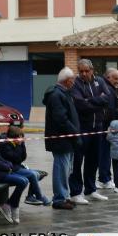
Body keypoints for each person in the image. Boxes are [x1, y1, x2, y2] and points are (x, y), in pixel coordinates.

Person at [70, 59, 110, 204]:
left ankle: (91, 189)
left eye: (87, 71)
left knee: (93, 159)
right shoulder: (76, 83)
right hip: (82, 127)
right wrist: (98, 101)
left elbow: (108, 98)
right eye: (81, 71)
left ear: (92, 70)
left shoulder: (99, 81)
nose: (84, 74)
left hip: (98, 126)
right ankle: (75, 192)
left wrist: (91, 101)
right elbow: (80, 104)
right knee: (77, 160)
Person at [43, 67, 80, 210]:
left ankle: (65, 196)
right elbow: (61, 119)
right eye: (72, 81)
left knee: (66, 169)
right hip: (61, 139)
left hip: (67, 139)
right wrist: (74, 132)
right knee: (61, 169)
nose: (73, 83)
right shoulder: (57, 95)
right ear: (67, 81)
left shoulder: (63, 93)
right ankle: (59, 198)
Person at [0, 126, 52, 206]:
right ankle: (39, 196)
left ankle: (30, 196)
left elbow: (23, 157)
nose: (21, 139)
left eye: (21, 137)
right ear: (13, 138)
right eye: (19, 137)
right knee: (33, 174)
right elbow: (15, 158)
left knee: (39, 173)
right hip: (11, 169)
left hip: (17, 166)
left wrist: (22, 145)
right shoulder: (5, 145)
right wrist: (20, 146)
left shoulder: (18, 144)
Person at [98, 67, 118, 190]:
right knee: (105, 154)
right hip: (106, 128)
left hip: (108, 126)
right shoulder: (106, 89)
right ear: (108, 77)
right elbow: (109, 110)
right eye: (115, 78)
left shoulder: (109, 88)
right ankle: (104, 179)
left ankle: (105, 178)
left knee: (106, 153)